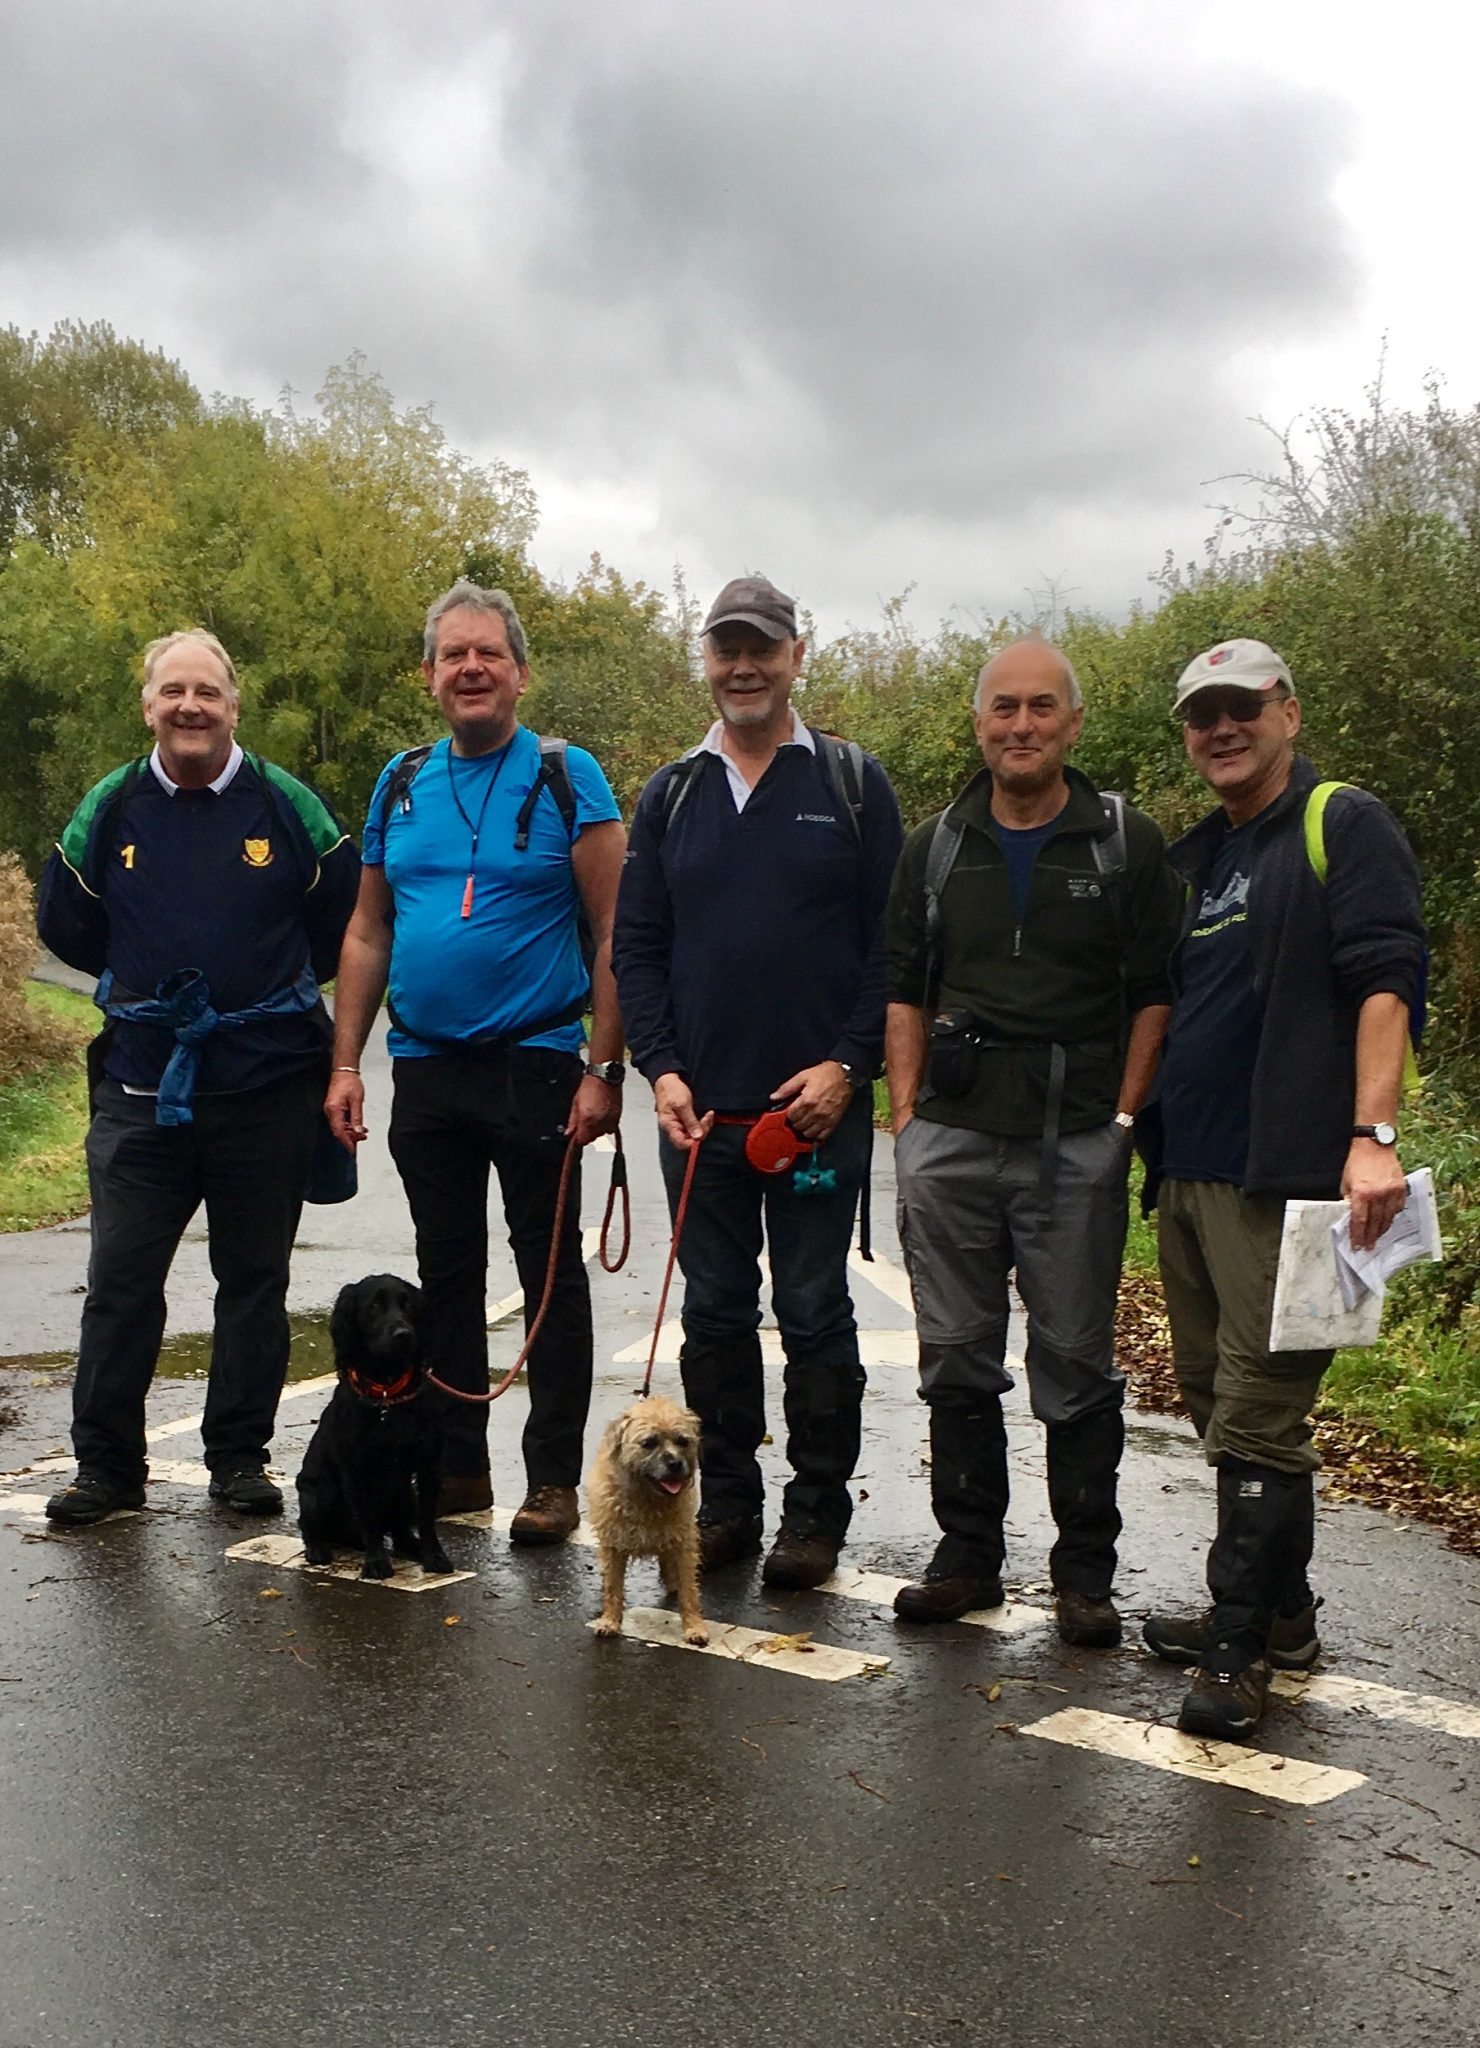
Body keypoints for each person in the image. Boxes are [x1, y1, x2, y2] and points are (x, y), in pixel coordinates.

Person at [1141, 638, 1424, 1738]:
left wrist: (1372, 1134)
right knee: (1220, 1405)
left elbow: (1386, 978)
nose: (1221, 728)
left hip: (1304, 1185)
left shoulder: (1340, 823)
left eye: (1241, 708)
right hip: (1196, 1174)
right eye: (1201, 714)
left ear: (1287, 713)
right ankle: (1283, 1619)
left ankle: (1231, 1650)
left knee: (1261, 1417)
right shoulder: (1199, 858)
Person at [884, 639, 1182, 1644]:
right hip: (952, 1141)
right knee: (956, 1358)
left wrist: (1126, 1118)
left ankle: (1082, 1574)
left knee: (1073, 1361)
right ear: (978, 723)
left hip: (1076, 1143)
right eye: (1002, 707)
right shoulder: (935, 844)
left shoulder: (1125, 844)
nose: (1020, 724)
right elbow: (902, 985)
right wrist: (907, 1118)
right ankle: (967, 1557)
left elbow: (1155, 993)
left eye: (1040, 707)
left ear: (1073, 723)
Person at [612, 574, 903, 1589]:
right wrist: (661, 1069)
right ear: (707, 658)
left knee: (818, 1310)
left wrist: (846, 1063)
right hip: (700, 1122)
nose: (744, 665)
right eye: (726, 647)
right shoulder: (672, 792)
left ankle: (814, 1517)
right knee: (717, 1315)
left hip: (818, 1118)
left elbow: (891, 951)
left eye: (761, 647)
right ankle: (728, 1503)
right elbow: (636, 947)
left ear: (795, 654)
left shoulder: (853, 785)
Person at [325, 580, 626, 1541]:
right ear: (428, 676)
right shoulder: (401, 779)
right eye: (452, 655)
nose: (470, 668)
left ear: (519, 671)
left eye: (487, 653)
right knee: (443, 1277)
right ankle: (456, 1469)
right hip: (426, 1069)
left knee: (549, 1278)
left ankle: (552, 1482)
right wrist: (345, 1063)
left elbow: (618, 928)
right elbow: (368, 930)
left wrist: (604, 1069)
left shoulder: (568, 773)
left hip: (537, 1063)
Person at [38, 628, 359, 1523]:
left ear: (233, 706)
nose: (190, 708)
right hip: (143, 1088)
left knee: (253, 1281)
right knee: (120, 1283)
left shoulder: (288, 807)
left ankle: (238, 1459)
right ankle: (105, 1467)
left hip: (267, 1089)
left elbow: (344, 923)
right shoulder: (110, 807)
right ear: (148, 705)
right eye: (172, 692)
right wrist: (154, 985)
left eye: (207, 693)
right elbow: (67, 923)